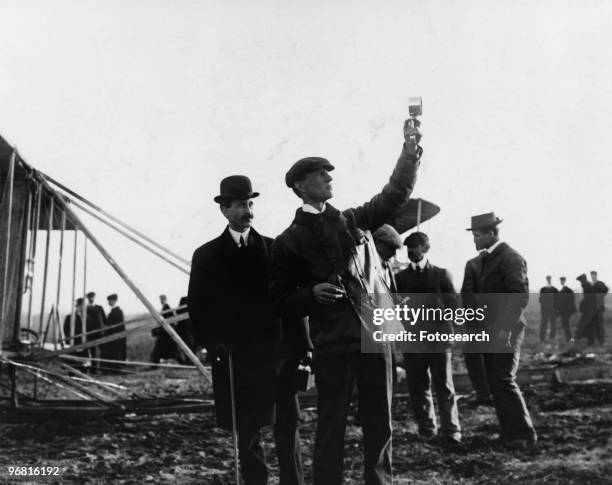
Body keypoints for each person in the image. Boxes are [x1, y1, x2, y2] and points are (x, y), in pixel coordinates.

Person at [270, 119, 422, 485]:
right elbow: (278, 300)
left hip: (375, 335)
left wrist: (410, 151)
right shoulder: (287, 242)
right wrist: (310, 295)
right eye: (320, 174)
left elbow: (395, 193)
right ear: (300, 186)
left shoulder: (352, 220)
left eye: (328, 173)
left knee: (380, 422)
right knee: (331, 425)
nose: (329, 178)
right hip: (332, 341)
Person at [188, 175, 308, 485]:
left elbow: (292, 303)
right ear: (224, 210)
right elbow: (198, 309)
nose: (248, 210)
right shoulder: (207, 256)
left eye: (251, 203)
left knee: (287, 424)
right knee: (247, 430)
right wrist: (212, 344)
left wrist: (303, 346)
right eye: (241, 205)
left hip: (278, 354)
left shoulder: (274, 249)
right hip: (236, 358)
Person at [461, 212, 537, 449]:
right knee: (496, 382)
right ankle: (510, 434)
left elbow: (518, 297)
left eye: (477, 236)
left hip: (507, 330)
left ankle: (524, 435)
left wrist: (504, 331)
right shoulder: (484, 260)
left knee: (503, 379)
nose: (474, 241)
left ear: (491, 233)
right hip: (490, 330)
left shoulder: (511, 258)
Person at [395, 231, 461, 445]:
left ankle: (451, 431)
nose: (410, 251)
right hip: (413, 343)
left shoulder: (442, 275)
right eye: (408, 247)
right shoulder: (400, 279)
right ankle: (427, 430)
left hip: (439, 341)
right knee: (418, 386)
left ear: (426, 248)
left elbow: (454, 306)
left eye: (414, 246)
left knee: (444, 386)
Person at [372, 224, 403, 292]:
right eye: (391, 248)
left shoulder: (387, 265)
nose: (394, 253)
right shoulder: (368, 264)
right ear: (377, 242)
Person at [101, 293, 126, 372]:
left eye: (110, 301)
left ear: (114, 301)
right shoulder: (113, 311)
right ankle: (110, 369)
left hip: (115, 337)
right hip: (111, 336)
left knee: (115, 353)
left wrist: (108, 328)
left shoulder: (118, 312)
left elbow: (118, 325)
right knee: (110, 352)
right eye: (108, 301)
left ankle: (115, 369)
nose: (109, 303)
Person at [151, 294, 176, 363]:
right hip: (165, 331)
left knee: (160, 348)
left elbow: (170, 320)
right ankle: (156, 361)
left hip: (166, 332)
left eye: (161, 300)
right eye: (160, 300)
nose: (160, 301)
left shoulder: (167, 308)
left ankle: (156, 362)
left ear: (164, 299)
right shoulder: (165, 308)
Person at [86, 291, 107, 373]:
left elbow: (105, 320)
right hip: (90, 332)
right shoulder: (86, 308)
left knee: (103, 350)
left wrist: (103, 329)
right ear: (88, 298)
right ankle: (93, 369)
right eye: (90, 297)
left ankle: (103, 367)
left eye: (92, 297)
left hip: (99, 332)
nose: (91, 299)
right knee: (92, 351)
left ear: (94, 298)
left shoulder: (99, 308)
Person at [590, 271, 608, 345]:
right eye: (591, 275)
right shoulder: (591, 284)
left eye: (593, 275)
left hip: (599, 307)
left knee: (600, 323)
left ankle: (602, 341)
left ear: (596, 275)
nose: (592, 277)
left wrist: (601, 297)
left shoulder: (600, 283)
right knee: (594, 324)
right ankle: (596, 340)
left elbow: (606, 290)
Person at [539, 276, 558, 342]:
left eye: (549, 279)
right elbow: (540, 300)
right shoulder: (552, 289)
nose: (549, 280)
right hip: (548, 309)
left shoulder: (544, 289)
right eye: (548, 279)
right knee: (546, 324)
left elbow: (540, 300)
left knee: (551, 324)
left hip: (549, 309)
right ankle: (544, 337)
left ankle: (548, 337)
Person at [557, 277, 576, 342]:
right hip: (563, 310)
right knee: (565, 324)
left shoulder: (568, 290)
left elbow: (571, 300)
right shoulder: (561, 291)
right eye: (561, 281)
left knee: (566, 323)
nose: (561, 282)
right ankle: (569, 337)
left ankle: (570, 338)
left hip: (567, 310)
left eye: (562, 281)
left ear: (565, 281)